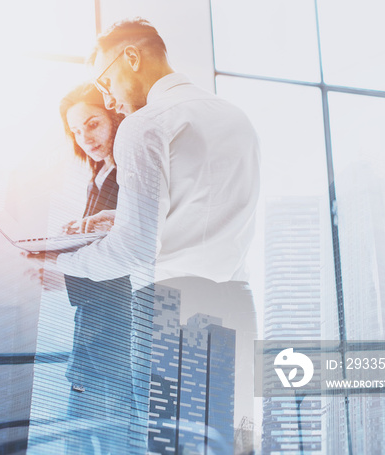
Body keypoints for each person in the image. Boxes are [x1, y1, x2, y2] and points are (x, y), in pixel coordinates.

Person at [37, 18, 260, 454]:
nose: (109, 96)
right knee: (233, 445)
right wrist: (117, 220)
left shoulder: (145, 125)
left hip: (169, 309)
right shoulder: (235, 117)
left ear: (132, 58)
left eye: (106, 81)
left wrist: (61, 263)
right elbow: (203, 210)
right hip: (236, 301)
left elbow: (136, 250)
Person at [58, 83, 132, 454]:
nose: (85, 138)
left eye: (92, 124)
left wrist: (60, 270)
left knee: (113, 438)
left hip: (114, 330)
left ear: (115, 119)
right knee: (77, 437)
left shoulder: (130, 178)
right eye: (76, 131)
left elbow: (121, 256)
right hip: (89, 329)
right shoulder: (98, 178)